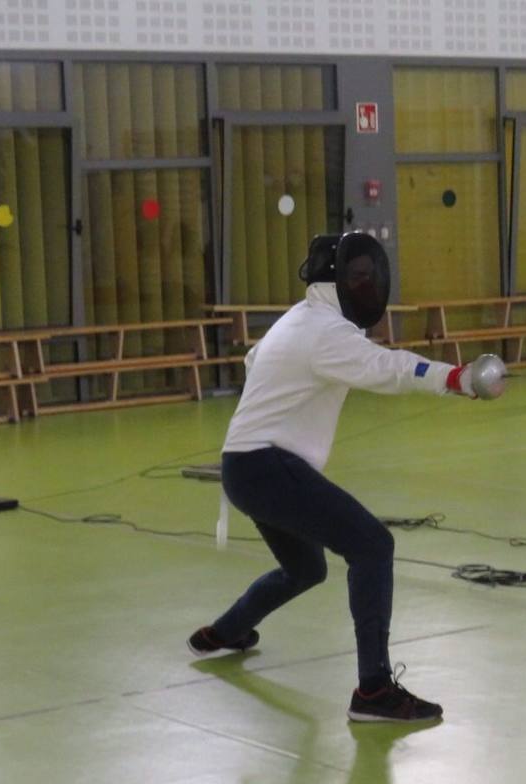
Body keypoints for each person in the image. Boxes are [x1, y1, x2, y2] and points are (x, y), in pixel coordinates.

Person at [189, 231, 506, 723]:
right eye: (358, 277)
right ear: (335, 282)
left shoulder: (299, 319)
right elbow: (389, 367)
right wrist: (455, 378)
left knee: (306, 569)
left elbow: (255, 361)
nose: (367, 285)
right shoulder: (324, 333)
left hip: (244, 465)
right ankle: (374, 691)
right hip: (267, 466)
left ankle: (223, 632)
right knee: (372, 545)